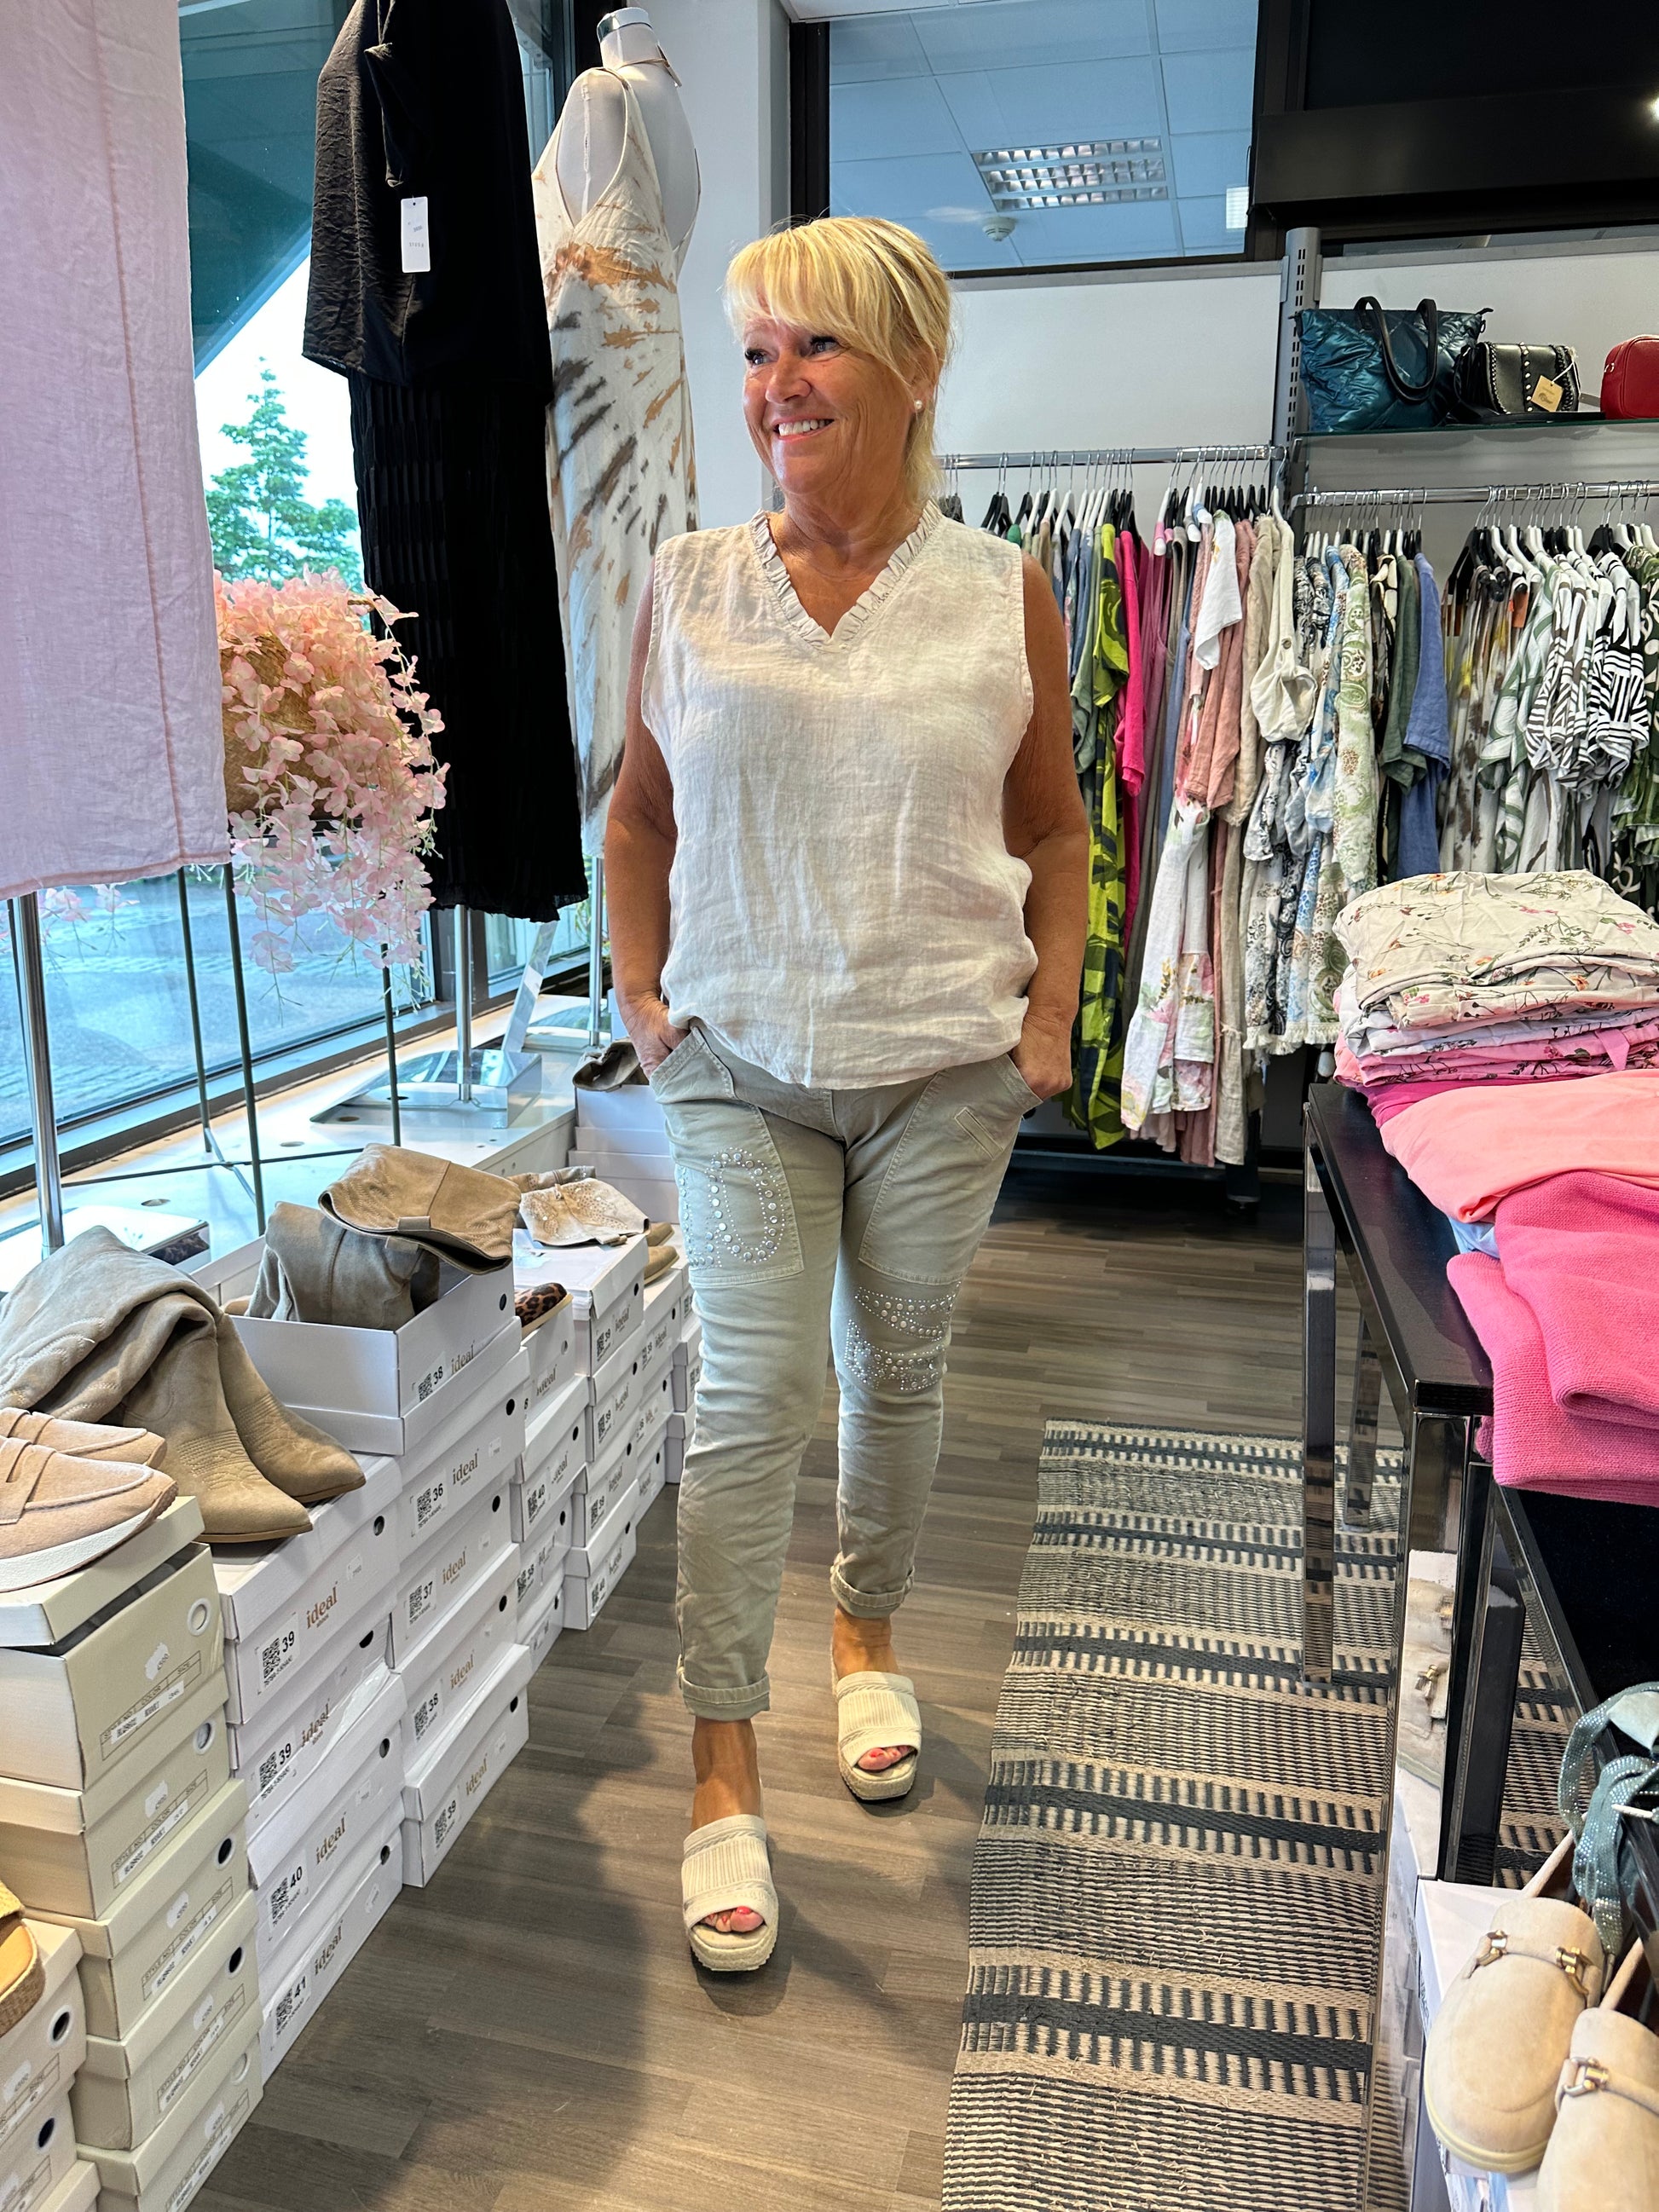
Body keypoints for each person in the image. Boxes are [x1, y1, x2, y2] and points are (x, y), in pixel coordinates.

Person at [605, 216, 1090, 1972]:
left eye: (813, 346)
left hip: (943, 1071)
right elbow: (639, 816)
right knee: (757, 1388)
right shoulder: (685, 583)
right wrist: (642, 996)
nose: (776, 385)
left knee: (898, 1365)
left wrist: (1048, 1019)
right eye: (754, 351)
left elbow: (1052, 826)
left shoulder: (1001, 589)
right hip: (738, 1064)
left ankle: (866, 1634)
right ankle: (720, 1762)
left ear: (914, 369)